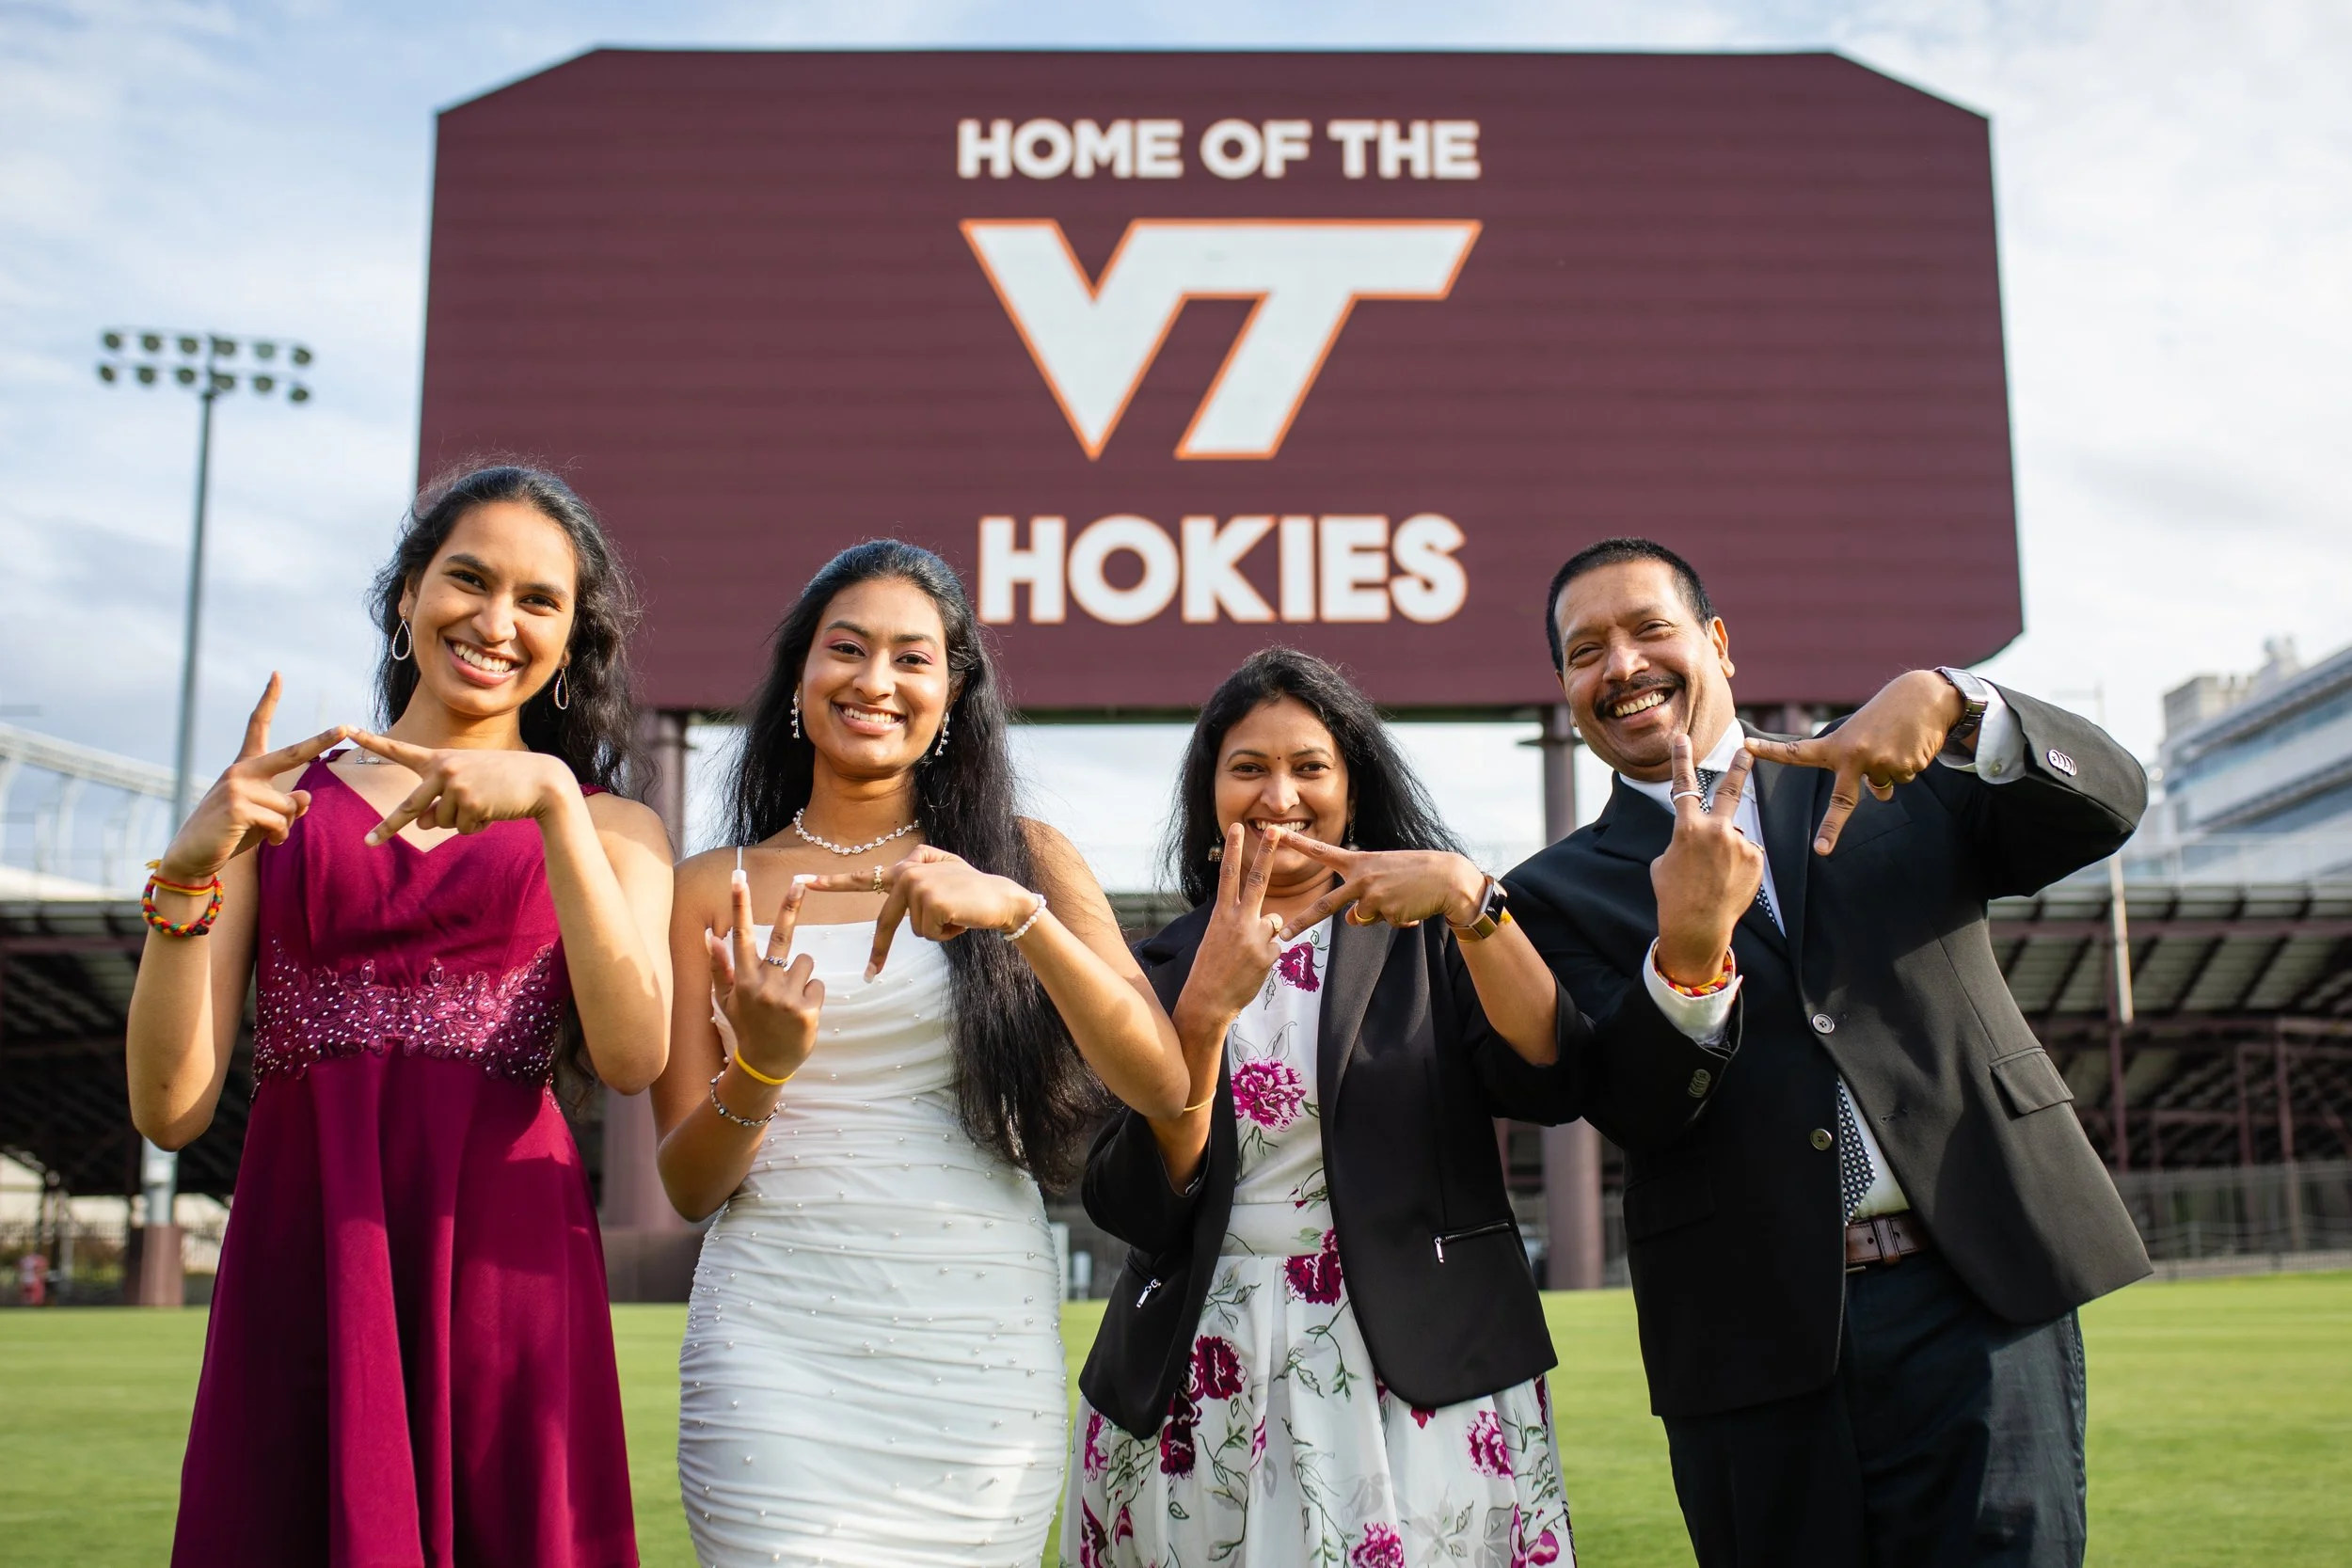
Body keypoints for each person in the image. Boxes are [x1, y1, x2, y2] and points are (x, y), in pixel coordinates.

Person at [1504, 537, 2151, 1568]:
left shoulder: (1891, 767)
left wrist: (1962, 698)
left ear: (1717, 642)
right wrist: (1687, 951)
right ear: (1566, 690)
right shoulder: (1546, 894)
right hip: (1749, 1340)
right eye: (1585, 650)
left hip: (1976, 1292)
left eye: (1648, 629)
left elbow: (2111, 799)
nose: (1619, 664)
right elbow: (1629, 1102)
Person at [126, 466, 675, 1567]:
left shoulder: (613, 828)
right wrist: (187, 878)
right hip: (306, 1247)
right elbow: (171, 1107)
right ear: (405, 595)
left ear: (572, 644)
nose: (494, 620)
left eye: (538, 601)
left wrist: (555, 808)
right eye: (465, 579)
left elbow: (632, 1054)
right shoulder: (276, 806)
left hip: (504, 1265)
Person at [649, 540, 1190, 1568]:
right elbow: (687, 1182)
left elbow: (1161, 1083)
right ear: (799, 677)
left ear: (953, 692)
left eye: (913, 657)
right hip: (772, 1344)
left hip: (974, 1345)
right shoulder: (705, 885)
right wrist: (758, 1068)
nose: (875, 681)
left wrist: (1021, 916)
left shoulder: (1026, 857)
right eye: (845, 648)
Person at [1065, 648, 1646, 1568]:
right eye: (1247, 767)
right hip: (1198, 1362)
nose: (1278, 795)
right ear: (1207, 791)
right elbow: (1130, 1202)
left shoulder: (1433, 938)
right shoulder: (1150, 968)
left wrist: (1471, 901)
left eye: (1309, 767)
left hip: (1416, 1359)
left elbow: (1552, 1075)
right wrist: (1203, 1012)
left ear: (1353, 786)